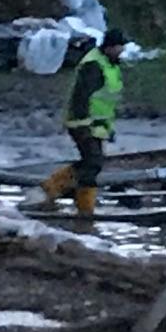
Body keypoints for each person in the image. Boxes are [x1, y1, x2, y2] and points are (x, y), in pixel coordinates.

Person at [39, 26, 126, 216]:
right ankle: (82, 205)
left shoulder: (111, 65)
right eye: (119, 47)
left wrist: (107, 127)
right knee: (93, 162)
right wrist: (84, 124)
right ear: (109, 47)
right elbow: (82, 96)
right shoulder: (93, 66)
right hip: (82, 123)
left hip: (97, 124)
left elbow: (106, 100)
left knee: (92, 162)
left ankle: (59, 188)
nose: (122, 51)